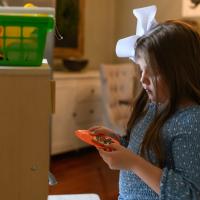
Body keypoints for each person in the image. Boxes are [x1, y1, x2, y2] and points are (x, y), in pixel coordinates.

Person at [89, 6, 200, 200]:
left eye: (152, 71)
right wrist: (118, 141)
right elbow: (145, 150)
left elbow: (190, 194)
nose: (143, 79)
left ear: (181, 71)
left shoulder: (192, 121)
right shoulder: (154, 106)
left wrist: (132, 163)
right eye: (141, 69)